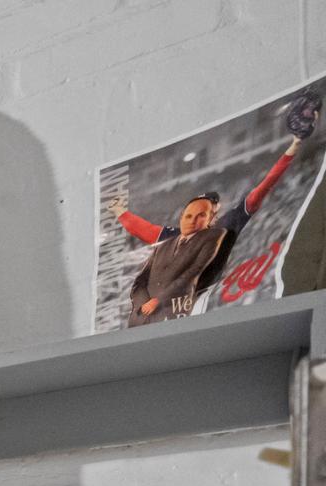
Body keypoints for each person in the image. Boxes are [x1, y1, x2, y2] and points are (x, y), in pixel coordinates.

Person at [109, 106, 316, 327]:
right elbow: (143, 229)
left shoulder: (224, 228)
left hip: (203, 305)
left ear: (211, 217)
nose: (192, 220)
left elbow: (262, 189)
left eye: (201, 214)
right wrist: (120, 212)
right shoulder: (172, 236)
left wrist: (293, 147)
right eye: (189, 214)